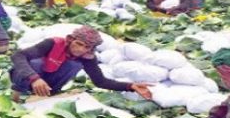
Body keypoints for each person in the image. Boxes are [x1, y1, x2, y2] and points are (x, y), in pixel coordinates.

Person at [10, 26, 153, 101]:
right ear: (70, 39)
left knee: (74, 65)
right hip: (29, 77)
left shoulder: (87, 57)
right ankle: (18, 95)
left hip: (50, 81)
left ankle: (48, 94)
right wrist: (34, 78)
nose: (80, 49)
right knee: (34, 62)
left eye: (86, 47)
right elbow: (18, 55)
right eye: (79, 44)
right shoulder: (52, 43)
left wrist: (130, 86)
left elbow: (100, 81)